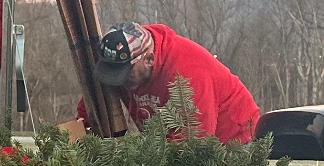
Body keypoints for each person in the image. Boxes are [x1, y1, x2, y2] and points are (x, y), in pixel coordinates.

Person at [77, 22, 260, 143]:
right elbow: (98, 96)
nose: (120, 81)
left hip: (233, 142)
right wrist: (83, 126)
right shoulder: (129, 56)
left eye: (125, 73)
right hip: (175, 141)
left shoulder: (188, 74)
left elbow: (194, 141)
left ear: (149, 59)